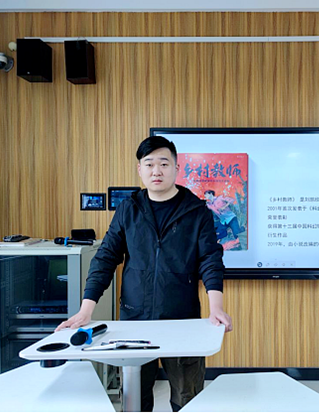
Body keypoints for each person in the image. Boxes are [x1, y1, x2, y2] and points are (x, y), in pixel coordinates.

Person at [55, 136, 233, 412]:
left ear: (176, 168)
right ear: (140, 169)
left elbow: (210, 259)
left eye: (164, 163)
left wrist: (216, 307)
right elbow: (105, 258)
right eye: (149, 164)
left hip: (181, 319)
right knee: (135, 399)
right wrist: (85, 310)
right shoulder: (129, 209)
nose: (156, 170)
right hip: (134, 320)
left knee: (187, 398)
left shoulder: (197, 211)